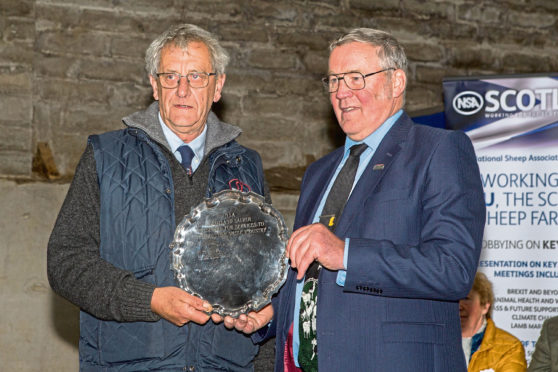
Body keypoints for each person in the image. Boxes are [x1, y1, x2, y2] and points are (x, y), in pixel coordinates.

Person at [221, 27, 486, 372]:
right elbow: (310, 274)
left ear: (396, 82)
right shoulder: (320, 171)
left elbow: (453, 268)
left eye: (356, 78)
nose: (341, 92)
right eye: (333, 80)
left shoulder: (440, 150)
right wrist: (272, 315)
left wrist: (344, 253)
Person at [47, 24, 270, 371]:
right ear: (154, 85)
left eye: (196, 76)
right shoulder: (104, 156)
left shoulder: (247, 166)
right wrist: (149, 300)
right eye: (170, 76)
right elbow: (66, 262)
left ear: (218, 86)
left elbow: (266, 278)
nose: (182, 89)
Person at [460, 272, 527, 372]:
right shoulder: (435, 341)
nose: (459, 306)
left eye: (466, 299)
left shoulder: (510, 347)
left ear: (485, 306)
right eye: (454, 300)